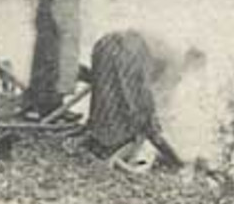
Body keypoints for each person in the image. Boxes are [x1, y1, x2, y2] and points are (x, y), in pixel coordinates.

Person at [85, 30, 205, 171]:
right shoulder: (176, 62)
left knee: (107, 101)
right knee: (140, 117)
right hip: (130, 51)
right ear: (191, 61)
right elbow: (155, 103)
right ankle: (113, 150)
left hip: (105, 43)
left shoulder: (171, 46)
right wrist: (175, 156)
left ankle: (100, 142)